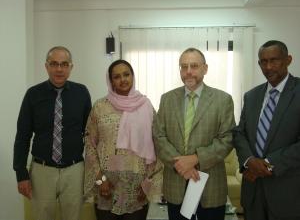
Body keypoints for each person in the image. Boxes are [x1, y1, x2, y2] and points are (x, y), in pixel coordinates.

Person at [153, 47, 235, 220]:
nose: (188, 72)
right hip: (176, 186)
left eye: (194, 66)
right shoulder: (167, 99)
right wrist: (180, 165)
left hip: (210, 187)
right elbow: (158, 137)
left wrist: (196, 159)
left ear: (205, 69)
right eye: (183, 67)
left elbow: (227, 139)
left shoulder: (223, 100)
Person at [13, 46, 92, 220]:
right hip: (42, 171)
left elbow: (90, 135)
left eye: (64, 64)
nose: (59, 69)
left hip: (74, 170)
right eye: (54, 64)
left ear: (71, 67)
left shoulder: (82, 93)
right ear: (46, 66)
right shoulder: (33, 94)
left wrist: (93, 171)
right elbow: (22, 136)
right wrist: (21, 174)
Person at [84, 59, 162, 220]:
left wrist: (147, 184)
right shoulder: (99, 107)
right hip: (107, 189)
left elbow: (157, 146)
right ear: (111, 81)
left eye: (126, 74)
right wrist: (100, 180)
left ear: (133, 77)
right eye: (117, 76)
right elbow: (90, 145)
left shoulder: (146, 106)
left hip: (137, 190)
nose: (123, 79)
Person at [233, 40, 300, 220]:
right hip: (253, 192)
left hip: (288, 195)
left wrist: (267, 164)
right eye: (263, 62)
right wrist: (249, 160)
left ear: (288, 60)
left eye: (274, 60)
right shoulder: (251, 96)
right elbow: (240, 133)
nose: (268, 67)